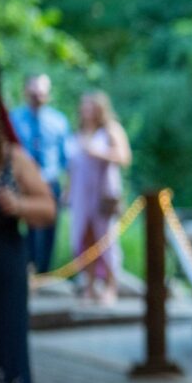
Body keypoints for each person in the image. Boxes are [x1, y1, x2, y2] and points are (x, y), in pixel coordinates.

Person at [0, 88, 57, 383]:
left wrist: (18, 206)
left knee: (4, 349)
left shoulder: (12, 160)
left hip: (3, 269)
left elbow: (48, 209)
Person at [67, 91, 131, 305]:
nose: (87, 111)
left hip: (103, 194)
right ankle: (90, 285)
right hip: (80, 195)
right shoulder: (78, 132)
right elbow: (73, 166)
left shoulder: (110, 129)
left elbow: (124, 157)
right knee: (84, 238)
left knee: (106, 240)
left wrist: (99, 152)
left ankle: (111, 286)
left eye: (91, 107)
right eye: (84, 107)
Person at [9, 73, 70, 275]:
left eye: (42, 92)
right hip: (21, 184)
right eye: (34, 92)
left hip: (50, 182)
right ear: (26, 92)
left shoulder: (58, 121)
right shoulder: (15, 119)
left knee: (48, 230)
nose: (38, 96)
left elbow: (66, 158)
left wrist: (68, 187)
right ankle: (25, 269)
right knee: (23, 228)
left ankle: (44, 273)